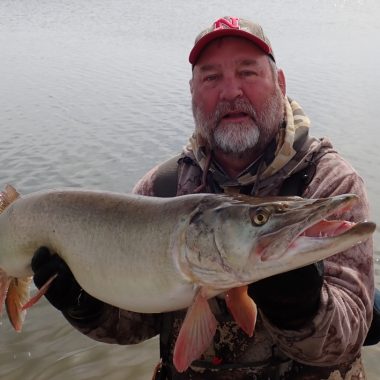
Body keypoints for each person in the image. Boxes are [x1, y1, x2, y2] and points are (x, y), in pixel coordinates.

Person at [31, 16, 377, 380]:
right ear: (193, 93)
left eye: (247, 72)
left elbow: (350, 334)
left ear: (280, 83)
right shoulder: (161, 188)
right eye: (211, 78)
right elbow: (131, 323)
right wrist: (85, 306)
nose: (230, 92)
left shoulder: (329, 182)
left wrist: (302, 308)